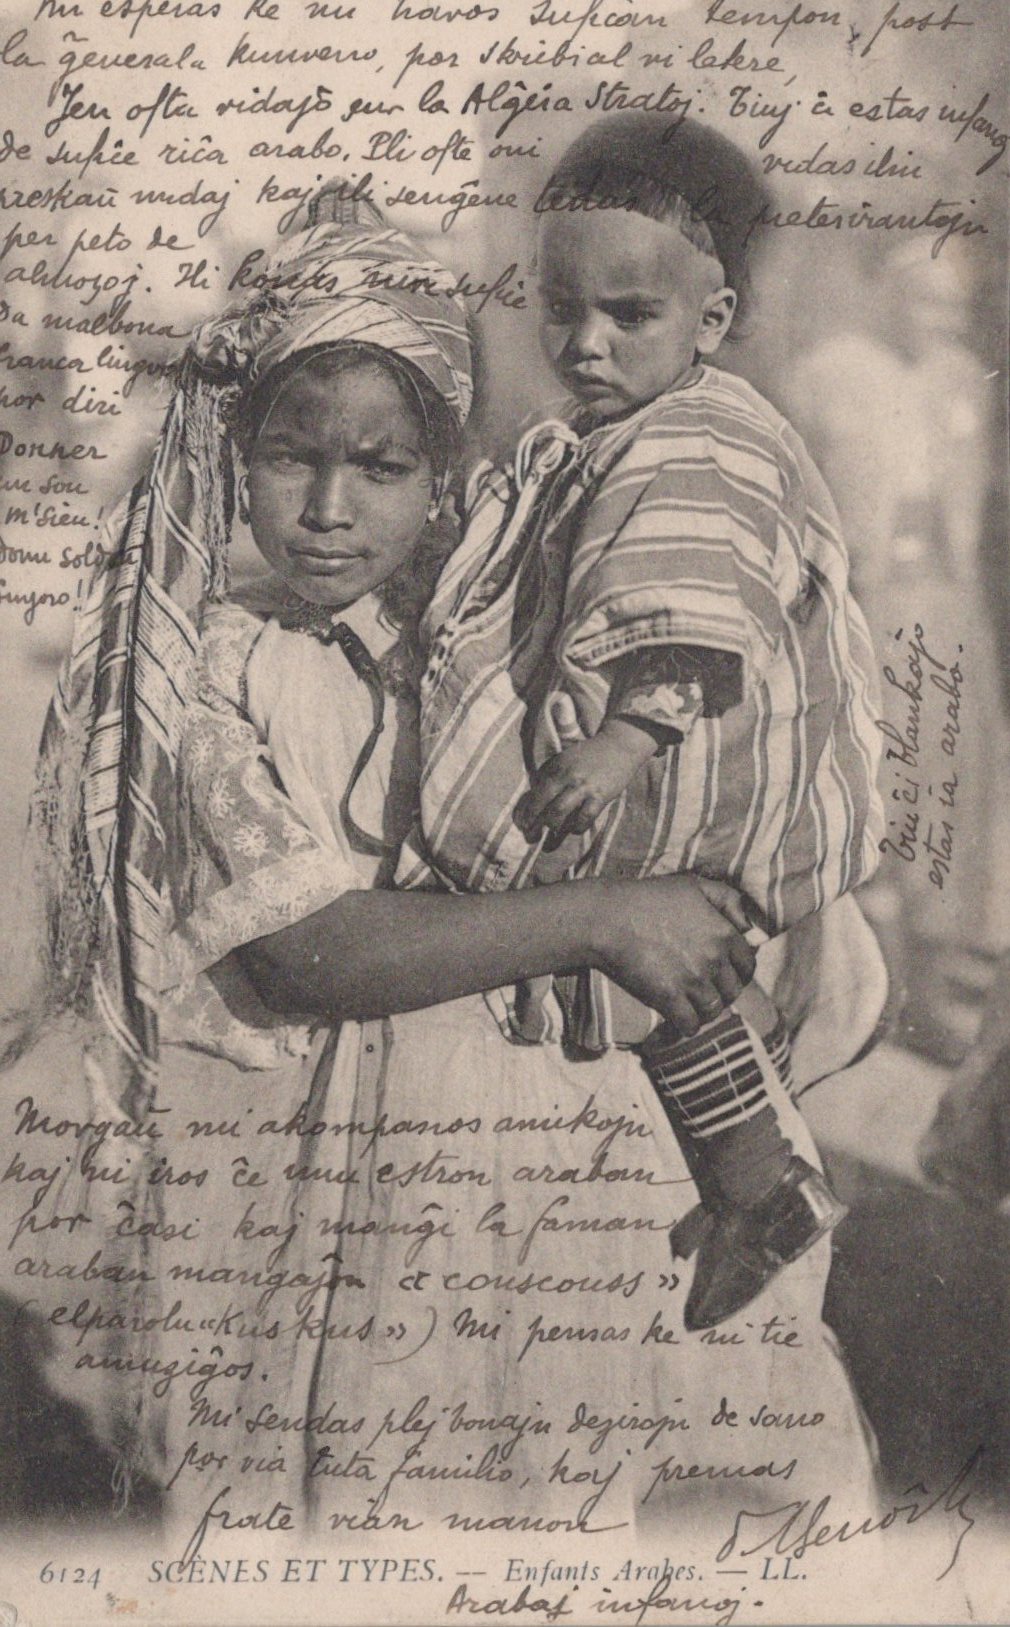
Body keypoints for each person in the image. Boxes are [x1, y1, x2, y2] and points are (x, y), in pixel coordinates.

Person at [12, 187, 880, 1548]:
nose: (328, 509)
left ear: (442, 472)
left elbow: (693, 772)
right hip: (335, 1183)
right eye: (291, 459)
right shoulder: (203, 666)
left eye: (379, 468)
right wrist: (604, 919)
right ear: (236, 454)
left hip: (566, 1153)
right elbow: (310, 949)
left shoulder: (501, 623)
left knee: (596, 1464)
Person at [397, 114, 884, 1334]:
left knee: (625, 947)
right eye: (561, 309)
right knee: (657, 977)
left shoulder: (695, 441)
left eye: (628, 315)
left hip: (679, 754)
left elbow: (686, 608)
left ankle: (760, 1162)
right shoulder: (625, 426)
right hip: (663, 748)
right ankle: (756, 1176)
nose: (585, 342)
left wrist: (622, 742)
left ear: (709, 320)